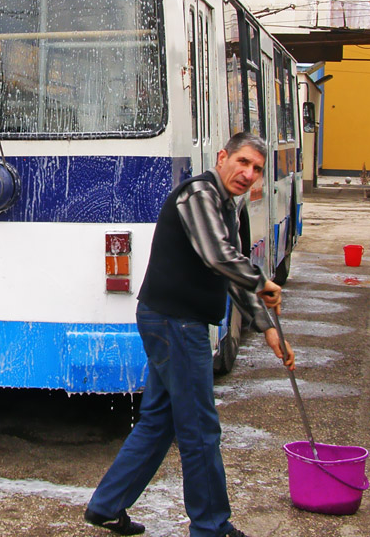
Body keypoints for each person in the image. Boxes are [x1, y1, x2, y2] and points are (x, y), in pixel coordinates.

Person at [84, 132, 295, 537]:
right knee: (199, 428)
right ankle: (211, 526)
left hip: (171, 321)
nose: (249, 174)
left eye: (257, 169)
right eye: (244, 163)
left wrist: (268, 329)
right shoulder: (199, 195)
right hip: (175, 323)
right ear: (222, 157)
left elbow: (229, 272)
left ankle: (107, 506)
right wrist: (263, 281)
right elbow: (220, 257)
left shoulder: (225, 206)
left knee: (159, 421)